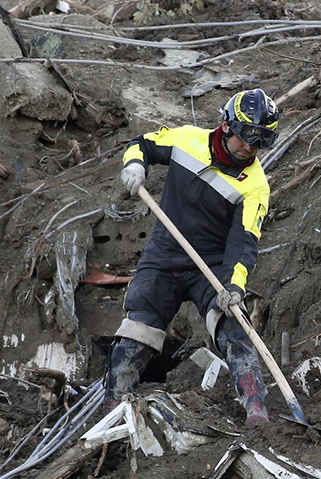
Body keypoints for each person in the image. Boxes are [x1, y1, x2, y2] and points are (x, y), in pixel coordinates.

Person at [108, 88, 275, 427]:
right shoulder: (186, 140)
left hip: (210, 267)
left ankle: (256, 408)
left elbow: (243, 244)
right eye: (246, 137)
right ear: (226, 126)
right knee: (137, 333)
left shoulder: (255, 186)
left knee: (234, 329)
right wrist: (136, 165)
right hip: (165, 254)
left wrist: (233, 288)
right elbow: (142, 144)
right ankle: (113, 412)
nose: (250, 148)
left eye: (260, 141)